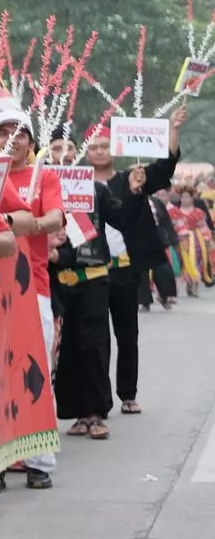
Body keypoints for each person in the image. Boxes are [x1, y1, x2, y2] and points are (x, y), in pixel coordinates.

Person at [89, 105, 190, 411]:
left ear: (115, 149)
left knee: (126, 335)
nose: (99, 151)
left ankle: (127, 395)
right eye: (93, 146)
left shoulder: (132, 176)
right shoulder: (76, 183)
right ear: (86, 152)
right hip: (89, 272)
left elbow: (165, 167)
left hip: (125, 269)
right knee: (96, 340)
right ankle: (97, 401)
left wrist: (173, 129)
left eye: (105, 145)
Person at [0, 108, 64, 489]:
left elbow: (56, 218)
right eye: (4, 131)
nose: (12, 139)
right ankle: (1, 462)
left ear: (32, 143)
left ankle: (40, 462)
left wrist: (28, 224)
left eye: (20, 132)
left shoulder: (45, 176)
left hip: (31, 286)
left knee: (35, 372)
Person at [55, 166, 140, 439]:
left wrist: (133, 192)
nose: (63, 154)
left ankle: (95, 413)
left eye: (68, 149)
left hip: (93, 277)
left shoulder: (96, 189)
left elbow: (122, 218)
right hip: (58, 279)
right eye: (56, 148)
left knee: (93, 344)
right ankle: (77, 413)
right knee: (67, 347)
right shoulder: (44, 186)